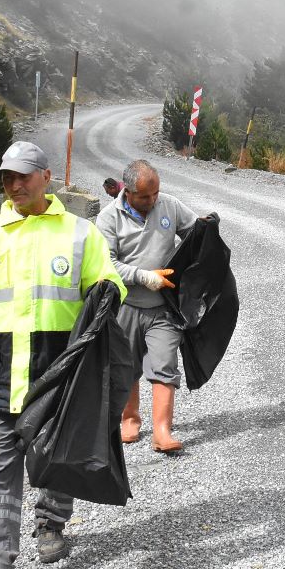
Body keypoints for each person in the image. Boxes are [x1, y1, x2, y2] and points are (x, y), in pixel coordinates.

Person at [0, 141, 127, 569]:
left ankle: (50, 524)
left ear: (47, 177)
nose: (14, 184)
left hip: (56, 375)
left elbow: (110, 283)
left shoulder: (80, 234)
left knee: (54, 456)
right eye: (7, 177)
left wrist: (110, 291)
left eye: (24, 175)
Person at [95, 159, 200, 453]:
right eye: (144, 196)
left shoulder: (169, 205)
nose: (152, 201)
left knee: (165, 364)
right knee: (125, 367)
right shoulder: (107, 219)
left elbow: (195, 234)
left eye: (155, 194)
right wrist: (143, 277)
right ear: (127, 192)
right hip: (125, 306)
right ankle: (130, 420)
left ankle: (162, 432)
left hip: (164, 307)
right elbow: (106, 264)